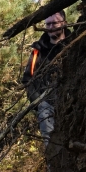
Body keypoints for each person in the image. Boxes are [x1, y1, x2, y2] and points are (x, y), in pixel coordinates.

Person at [23, 11, 68, 139]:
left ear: (64, 23)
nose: (50, 27)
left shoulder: (75, 43)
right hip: (47, 105)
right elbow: (27, 80)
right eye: (47, 24)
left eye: (54, 23)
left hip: (72, 100)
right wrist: (39, 103)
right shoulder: (38, 51)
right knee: (50, 141)